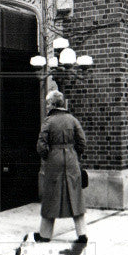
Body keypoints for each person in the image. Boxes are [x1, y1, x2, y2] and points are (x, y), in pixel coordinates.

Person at [35, 90, 88, 243]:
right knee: (75, 196)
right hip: (71, 160)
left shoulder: (48, 121)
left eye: (47, 103)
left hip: (54, 161)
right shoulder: (73, 120)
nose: (46, 107)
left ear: (52, 104)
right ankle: (82, 234)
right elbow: (82, 142)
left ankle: (45, 235)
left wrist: (48, 156)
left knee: (51, 196)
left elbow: (41, 145)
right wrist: (74, 154)